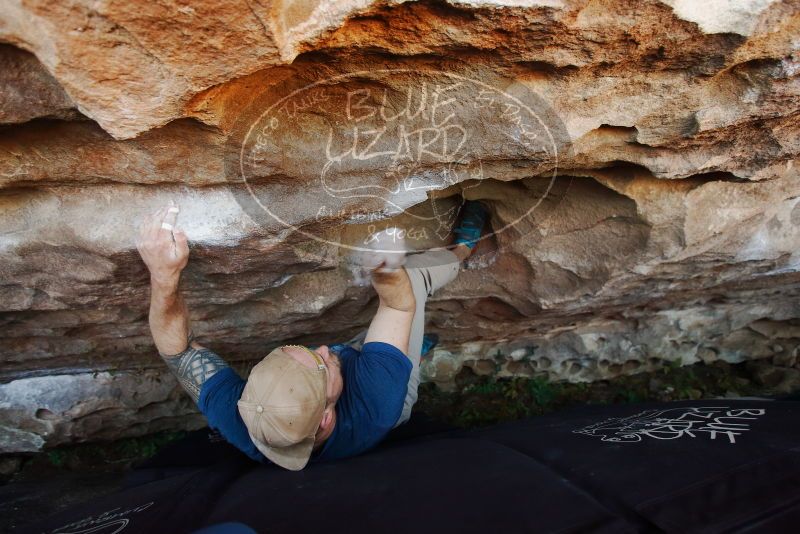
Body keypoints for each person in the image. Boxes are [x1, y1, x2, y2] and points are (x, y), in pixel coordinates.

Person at [136, 200, 488, 470]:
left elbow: (178, 351)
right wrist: (388, 273)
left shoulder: (247, 416)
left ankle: (397, 349)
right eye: (320, 363)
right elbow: (398, 307)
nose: (322, 346)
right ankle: (461, 253)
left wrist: (163, 275)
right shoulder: (376, 402)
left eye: (289, 351)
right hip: (385, 390)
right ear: (325, 418)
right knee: (413, 283)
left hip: (351, 382)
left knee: (349, 352)